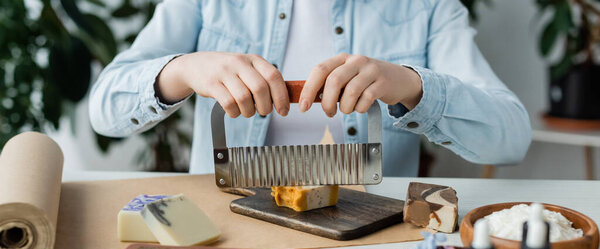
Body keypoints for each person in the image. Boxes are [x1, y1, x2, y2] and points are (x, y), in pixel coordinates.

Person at [89, 0, 531, 176]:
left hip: (369, 235)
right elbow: (104, 109)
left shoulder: (429, 7)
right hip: (226, 226)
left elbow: (510, 138)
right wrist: (183, 70)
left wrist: (412, 86)